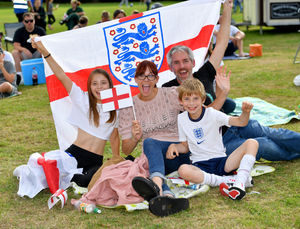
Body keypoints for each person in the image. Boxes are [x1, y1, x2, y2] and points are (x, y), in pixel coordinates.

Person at [31, 36, 120, 187]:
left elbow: (115, 137)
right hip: (74, 154)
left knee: (91, 179)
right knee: (40, 174)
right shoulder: (82, 98)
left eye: (103, 83)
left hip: (95, 160)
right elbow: (61, 75)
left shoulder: (115, 108)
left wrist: (116, 158)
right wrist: (44, 52)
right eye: (95, 84)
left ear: (110, 86)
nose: (99, 87)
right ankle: (66, 174)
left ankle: (88, 174)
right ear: (90, 87)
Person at [167, 77, 258, 200]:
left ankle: (239, 184)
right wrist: (174, 146)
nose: (191, 103)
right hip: (200, 166)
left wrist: (245, 112)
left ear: (203, 99)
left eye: (195, 98)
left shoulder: (212, 114)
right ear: (181, 101)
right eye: (187, 99)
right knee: (183, 170)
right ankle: (230, 180)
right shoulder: (181, 119)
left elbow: (241, 122)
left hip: (222, 162)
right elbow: (185, 146)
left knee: (252, 143)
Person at [119, 60, 190, 217]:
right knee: (147, 160)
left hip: (179, 152)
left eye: (150, 76)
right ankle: (168, 198)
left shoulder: (170, 94)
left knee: (149, 145)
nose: (146, 80)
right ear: (135, 79)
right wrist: (134, 137)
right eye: (141, 76)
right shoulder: (128, 108)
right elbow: (126, 149)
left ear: (157, 79)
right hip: (157, 159)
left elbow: (196, 106)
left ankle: (155, 188)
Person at [162, 0, 235, 114]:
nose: (182, 66)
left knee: (231, 105)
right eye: (176, 63)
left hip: (227, 123)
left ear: (193, 63)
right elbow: (199, 118)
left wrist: (227, 9)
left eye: (185, 61)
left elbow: (222, 43)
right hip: (219, 130)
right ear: (170, 67)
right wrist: (222, 94)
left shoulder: (204, 73)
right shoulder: (167, 89)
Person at [12, 12, 46, 80]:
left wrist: (39, 48)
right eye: (27, 21)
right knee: (15, 52)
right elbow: (16, 45)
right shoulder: (19, 31)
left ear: (34, 21)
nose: (29, 23)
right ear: (23, 22)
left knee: (45, 51)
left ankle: (46, 73)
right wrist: (24, 50)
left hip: (38, 53)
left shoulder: (40, 30)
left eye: (31, 20)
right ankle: (20, 76)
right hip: (25, 55)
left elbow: (46, 43)